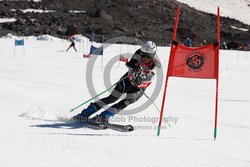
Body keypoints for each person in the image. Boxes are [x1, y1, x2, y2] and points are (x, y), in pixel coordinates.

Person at [73, 41, 161, 123]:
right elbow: (129, 64)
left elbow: (151, 75)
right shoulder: (138, 52)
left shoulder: (156, 63)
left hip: (139, 88)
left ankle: (104, 116)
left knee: (125, 102)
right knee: (112, 98)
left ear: (153, 55)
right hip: (127, 80)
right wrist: (134, 69)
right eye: (143, 55)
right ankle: (86, 112)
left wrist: (142, 78)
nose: (145, 58)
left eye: (148, 56)